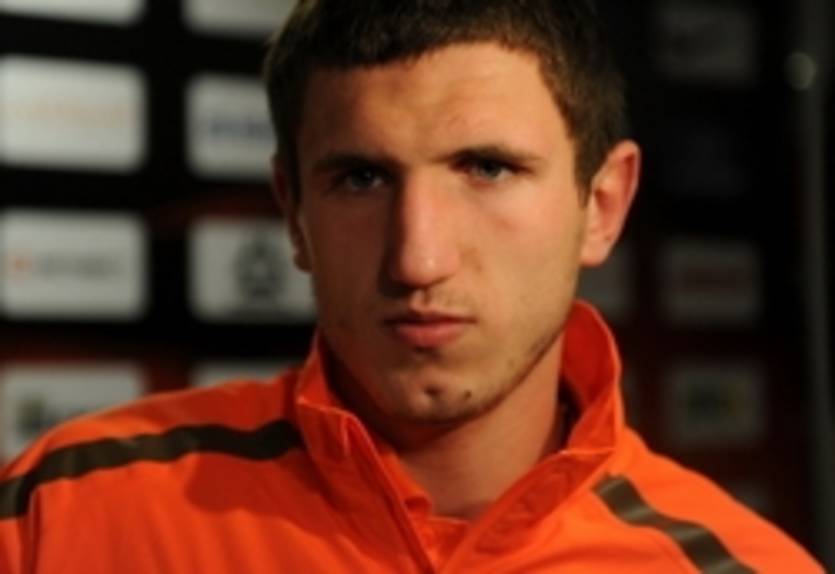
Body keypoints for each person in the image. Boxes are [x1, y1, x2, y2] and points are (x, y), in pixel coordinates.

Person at [0, 1, 824, 572]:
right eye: (361, 179)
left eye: (487, 168)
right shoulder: (61, 512)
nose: (417, 260)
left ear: (601, 206)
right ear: (293, 213)